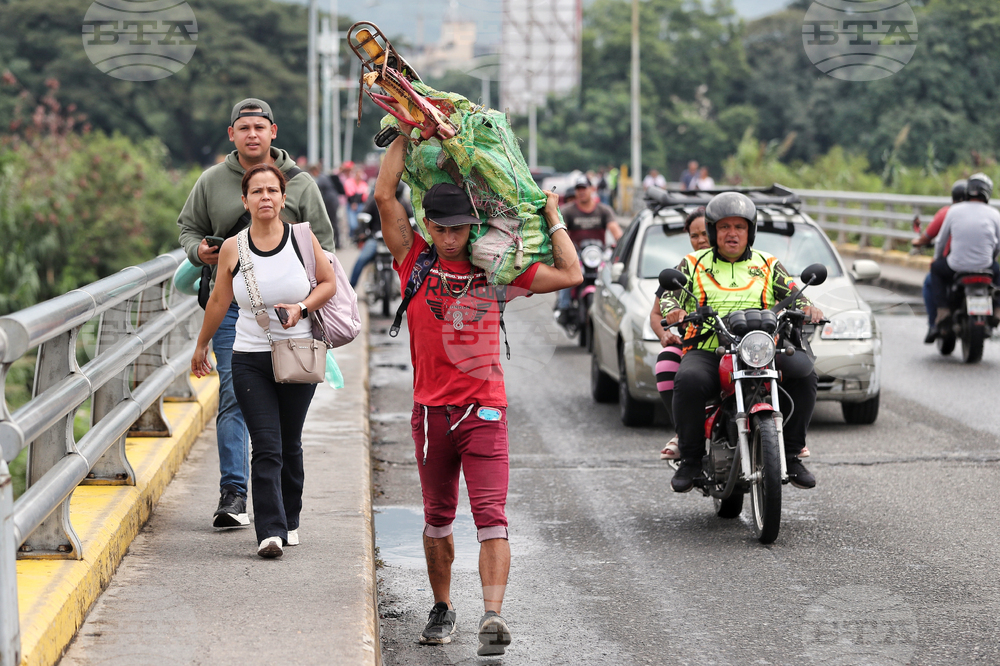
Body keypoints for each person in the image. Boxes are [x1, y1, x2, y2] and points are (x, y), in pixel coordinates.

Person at [375, 133, 582, 656]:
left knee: (492, 517)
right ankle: (442, 608)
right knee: (437, 518)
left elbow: (571, 273)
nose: (449, 238)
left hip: (484, 412)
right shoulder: (414, 264)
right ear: (429, 226)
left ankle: (492, 616)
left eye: (459, 229)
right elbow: (384, 195)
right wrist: (404, 131)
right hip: (430, 415)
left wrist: (553, 214)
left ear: (474, 229)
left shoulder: (498, 273)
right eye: (441, 228)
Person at [177, 98, 336, 529]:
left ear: (273, 132)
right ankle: (234, 492)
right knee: (233, 396)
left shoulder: (302, 184)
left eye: (259, 127)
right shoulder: (211, 181)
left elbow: (326, 248)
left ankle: (287, 511)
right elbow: (187, 229)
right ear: (232, 134)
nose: (252, 134)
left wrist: (304, 298)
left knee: (286, 425)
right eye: (243, 127)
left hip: (293, 318)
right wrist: (199, 252)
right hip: (233, 308)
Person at [659, 192, 824, 493]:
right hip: (710, 347)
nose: (732, 234)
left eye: (739, 227)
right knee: (689, 380)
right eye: (724, 227)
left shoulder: (767, 263)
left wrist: (809, 308)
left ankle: (792, 453)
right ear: (713, 231)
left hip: (761, 347)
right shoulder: (693, 263)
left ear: (751, 231)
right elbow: (670, 296)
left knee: (805, 373)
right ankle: (692, 458)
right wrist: (675, 311)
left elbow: (793, 294)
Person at [648, 207, 710, 460]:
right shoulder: (682, 270)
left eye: (706, 233)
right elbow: (655, 315)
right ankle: (683, 433)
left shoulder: (748, 266)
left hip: (741, 345)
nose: (701, 240)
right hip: (692, 346)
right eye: (694, 236)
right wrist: (665, 335)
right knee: (665, 363)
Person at [930, 172, 1000, 328]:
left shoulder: (954, 210)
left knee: (935, 269)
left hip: (956, 266)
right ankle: (997, 309)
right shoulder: (995, 214)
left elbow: (941, 240)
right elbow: (998, 244)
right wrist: (991, 257)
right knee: (998, 273)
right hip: (985, 266)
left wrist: (937, 257)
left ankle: (943, 310)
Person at [554, 175, 623, 321]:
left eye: (584, 188)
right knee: (567, 275)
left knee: (615, 275)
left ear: (592, 189)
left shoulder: (604, 210)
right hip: (576, 254)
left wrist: (620, 243)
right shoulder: (568, 211)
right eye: (578, 189)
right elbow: (561, 232)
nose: (581, 192)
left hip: (599, 255)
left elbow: (615, 231)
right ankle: (563, 306)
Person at [912, 179, 966, 342]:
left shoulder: (948, 213)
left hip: (953, 265)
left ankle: (935, 322)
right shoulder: (986, 213)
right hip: (982, 266)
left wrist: (919, 243)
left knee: (930, 281)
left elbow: (930, 238)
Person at [348, 180, 413, 288]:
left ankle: (414, 291)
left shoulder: (404, 203)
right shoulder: (375, 202)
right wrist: (361, 233)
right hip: (376, 239)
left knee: (414, 263)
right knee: (361, 259)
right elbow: (364, 216)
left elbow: (412, 221)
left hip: (399, 242)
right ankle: (349, 290)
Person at [309, 163, 346, 250]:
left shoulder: (321, 179)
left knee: (333, 222)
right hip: (333, 200)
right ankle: (336, 242)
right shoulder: (324, 177)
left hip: (330, 202)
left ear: (315, 171)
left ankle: (336, 242)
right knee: (334, 222)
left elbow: (317, 190)